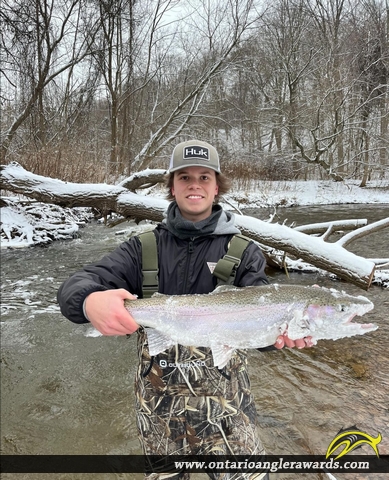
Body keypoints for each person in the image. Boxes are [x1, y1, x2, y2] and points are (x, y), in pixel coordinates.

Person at [57, 140, 312, 479]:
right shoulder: (141, 249)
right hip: (159, 410)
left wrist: (276, 334)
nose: (195, 185)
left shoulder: (245, 252)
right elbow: (77, 284)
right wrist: (89, 302)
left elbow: (260, 320)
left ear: (217, 186)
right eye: (185, 177)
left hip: (228, 408)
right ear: (172, 187)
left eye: (204, 177)